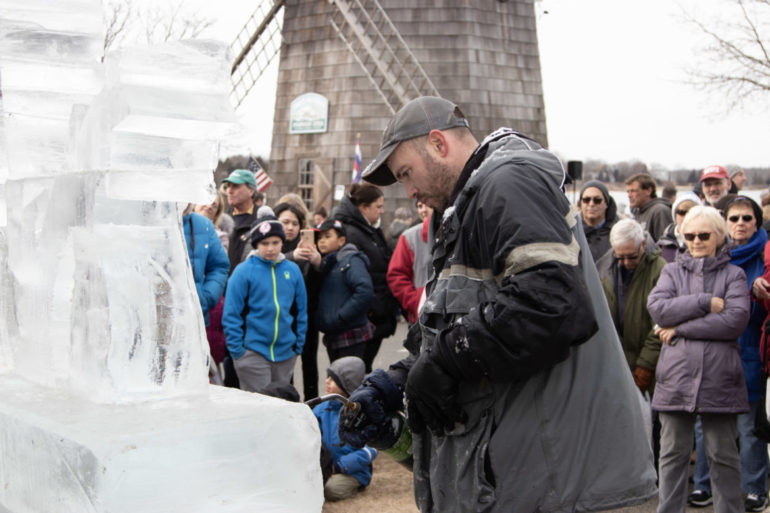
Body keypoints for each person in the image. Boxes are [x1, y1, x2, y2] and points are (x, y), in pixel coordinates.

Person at [342, 96, 656, 512]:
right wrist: (397, 381)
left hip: (572, 488)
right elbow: (462, 327)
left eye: (406, 173)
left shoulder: (509, 182)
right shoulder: (463, 212)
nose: (410, 190)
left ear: (438, 144)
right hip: (530, 484)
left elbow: (551, 303)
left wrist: (442, 364)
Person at [647, 205, 750, 513]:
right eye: (689, 235)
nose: (696, 241)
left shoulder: (735, 274)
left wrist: (678, 328)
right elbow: (658, 309)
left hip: (720, 378)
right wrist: (705, 302)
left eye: (703, 235)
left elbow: (734, 321)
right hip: (676, 378)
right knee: (672, 456)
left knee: (724, 457)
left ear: (718, 236)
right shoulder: (671, 271)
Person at [691, 196, 769, 511]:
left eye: (746, 218)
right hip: (713, 350)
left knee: (749, 425)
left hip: (750, 349)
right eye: (733, 218)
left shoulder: (766, 256)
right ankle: (702, 484)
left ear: (757, 222)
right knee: (705, 422)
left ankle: (754, 487)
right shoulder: (714, 250)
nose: (739, 224)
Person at [222, 212, 308, 393]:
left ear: (282, 243)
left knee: (280, 404)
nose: (270, 248)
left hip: (286, 353)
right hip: (252, 353)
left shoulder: (292, 270)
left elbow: (301, 310)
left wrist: (297, 345)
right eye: (265, 243)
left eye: (275, 243)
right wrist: (238, 351)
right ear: (256, 244)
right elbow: (231, 314)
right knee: (259, 408)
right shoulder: (243, 271)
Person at [332, 183, 398, 373]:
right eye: (378, 206)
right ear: (363, 208)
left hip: (374, 314)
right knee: (353, 375)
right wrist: (373, 307)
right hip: (363, 318)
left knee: (362, 370)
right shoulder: (352, 233)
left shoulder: (368, 229)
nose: (382, 211)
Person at [597, 218, 665, 393]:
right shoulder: (605, 268)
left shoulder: (660, 270)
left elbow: (660, 323)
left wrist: (645, 366)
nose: (626, 262)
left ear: (643, 244)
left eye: (632, 257)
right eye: (620, 257)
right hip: (616, 364)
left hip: (649, 366)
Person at [274, 201, 323, 400]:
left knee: (310, 363)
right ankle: (290, 404)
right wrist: (290, 257)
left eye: (295, 223)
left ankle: (313, 406)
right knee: (287, 368)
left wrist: (319, 263)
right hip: (282, 317)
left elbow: (317, 286)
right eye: (285, 222)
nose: (291, 227)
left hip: (307, 316)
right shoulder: (273, 245)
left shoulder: (308, 246)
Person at [313, 356, 378, 501]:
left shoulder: (363, 412)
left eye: (332, 379)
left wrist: (339, 467)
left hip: (352, 472)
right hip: (324, 469)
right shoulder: (320, 409)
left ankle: (358, 484)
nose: (327, 381)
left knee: (328, 490)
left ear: (346, 384)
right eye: (327, 377)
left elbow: (371, 449)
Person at [315, 218, 375, 362]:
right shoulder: (327, 262)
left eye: (327, 236)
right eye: (319, 237)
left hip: (351, 333)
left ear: (342, 240)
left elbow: (364, 291)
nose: (322, 241)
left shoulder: (351, 260)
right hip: (334, 333)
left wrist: (341, 316)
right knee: (337, 378)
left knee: (347, 379)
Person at [181, 204, 230, 368]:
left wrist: (206, 296)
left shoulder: (203, 225)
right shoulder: (149, 223)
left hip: (194, 317)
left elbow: (220, 266)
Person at [387, 203, 433, 324]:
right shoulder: (410, 237)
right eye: (419, 206)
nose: (423, 210)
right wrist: (416, 301)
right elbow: (396, 275)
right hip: (420, 316)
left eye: (428, 204)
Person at [222, 169, 260, 275]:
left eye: (235, 186)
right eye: (228, 186)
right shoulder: (221, 220)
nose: (229, 191)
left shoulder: (262, 221)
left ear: (251, 191)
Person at [579, 180, 619, 261]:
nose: (591, 204)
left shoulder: (618, 232)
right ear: (581, 203)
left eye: (597, 200)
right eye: (586, 200)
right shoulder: (570, 232)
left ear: (606, 203)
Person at [657, 192, 703, 263]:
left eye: (692, 212)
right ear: (675, 215)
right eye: (682, 212)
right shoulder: (662, 245)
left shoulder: (706, 240)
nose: (687, 217)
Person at [625, 173, 673, 242]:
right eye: (628, 192)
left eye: (633, 191)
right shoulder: (638, 213)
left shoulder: (660, 211)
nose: (629, 195)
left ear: (648, 191)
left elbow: (665, 245)